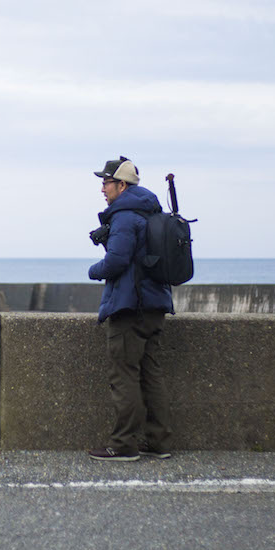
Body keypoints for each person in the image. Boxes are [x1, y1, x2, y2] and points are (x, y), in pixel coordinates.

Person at [87, 156, 175, 462]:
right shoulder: (151, 211)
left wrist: (93, 270)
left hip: (130, 307)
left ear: (121, 185)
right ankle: (159, 442)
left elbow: (117, 262)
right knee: (151, 374)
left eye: (106, 182)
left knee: (124, 375)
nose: (102, 188)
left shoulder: (125, 216)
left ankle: (124, 444)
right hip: (154, 307)